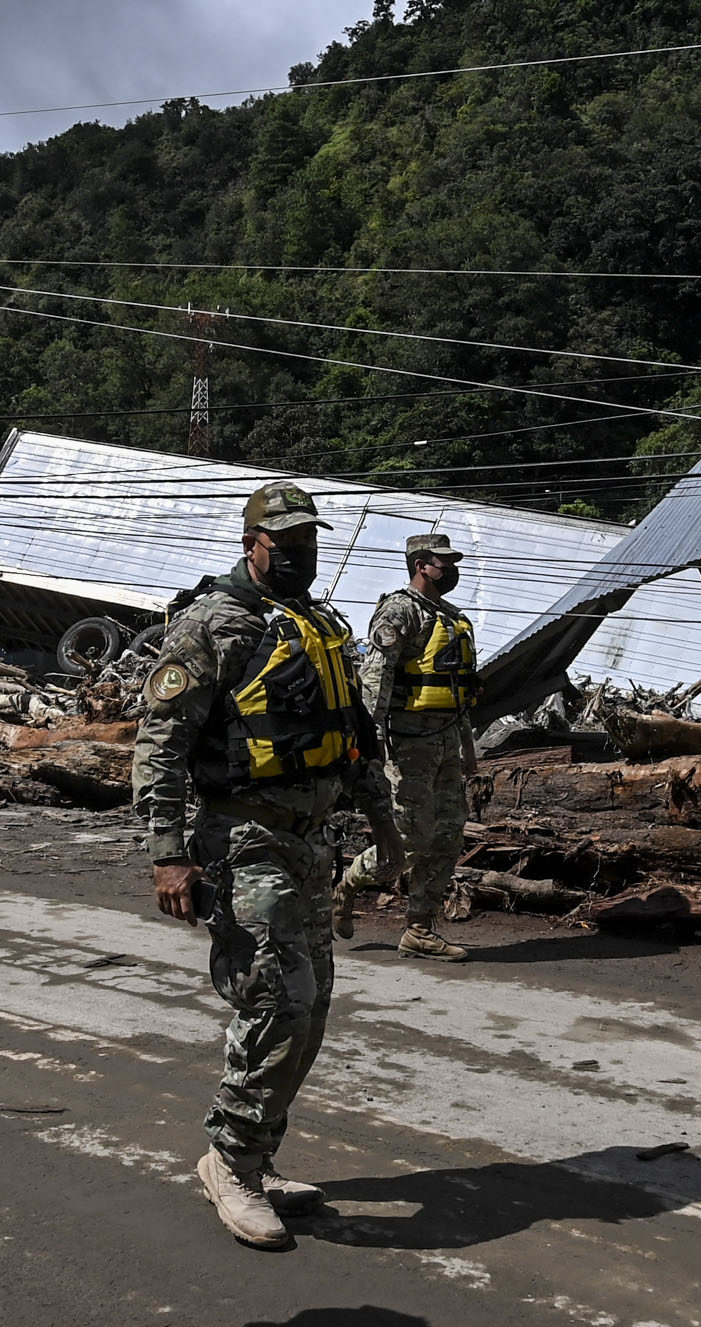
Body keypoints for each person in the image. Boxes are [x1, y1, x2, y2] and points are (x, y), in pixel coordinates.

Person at [134, 481, 404, 1250]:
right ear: (252, 542)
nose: (299, 557)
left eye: (309, 544)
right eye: (285, 545)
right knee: (278, 1002)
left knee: (310, 1010)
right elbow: (160, 747)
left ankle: (254, 1150)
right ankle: (230, 1162)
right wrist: (167, 855)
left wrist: (383, 823)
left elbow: (351, 732)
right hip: (243, 839)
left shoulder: (317, 625)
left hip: (310, 841)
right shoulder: (210, 625)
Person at [336, 533, 480, 960]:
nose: (451, 570)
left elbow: (458, 687)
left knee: (449, 832)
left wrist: (468, 748)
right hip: (409, 741)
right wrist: (371, 738)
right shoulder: (399, 610)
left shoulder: (451, 616)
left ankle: (420, 929)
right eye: (443, 563)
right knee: (413, 836)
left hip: (448, 737)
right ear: (421, 564)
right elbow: (376, 675)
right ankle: (347, 883)